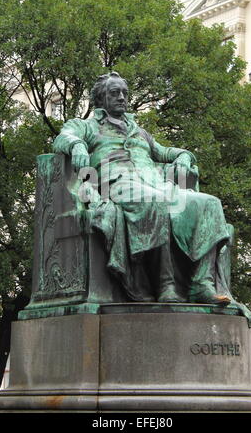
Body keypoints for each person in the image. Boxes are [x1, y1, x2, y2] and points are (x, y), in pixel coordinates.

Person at [53, 72, 232, 305]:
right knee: (153, 202)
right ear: (100, 98)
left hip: (156, 184)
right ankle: (165, 285)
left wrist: (185, 157)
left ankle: (201, 284)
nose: (121, 97)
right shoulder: (87, 126)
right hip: (117, 184)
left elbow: (166, 152)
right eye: (114, 93)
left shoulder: (140, 132)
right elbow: (63, 136)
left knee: (209, 203)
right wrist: (76, 144)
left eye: (124, 93)